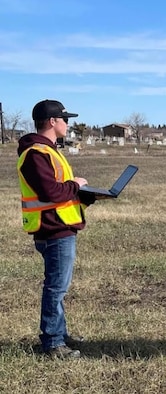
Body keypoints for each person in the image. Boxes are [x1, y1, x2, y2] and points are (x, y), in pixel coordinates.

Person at [17, 99, 96, 359]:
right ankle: (52, 343)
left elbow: (57, 191)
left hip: (60, 225)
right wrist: (75, 184)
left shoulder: (50, 150)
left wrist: (84, 195)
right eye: (64, 119)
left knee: (58, 287)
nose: (67, 124)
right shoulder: (36, 153)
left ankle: (59, 334)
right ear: (52, 121)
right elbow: (50, 191)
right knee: (55, 288)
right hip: (53, 230)